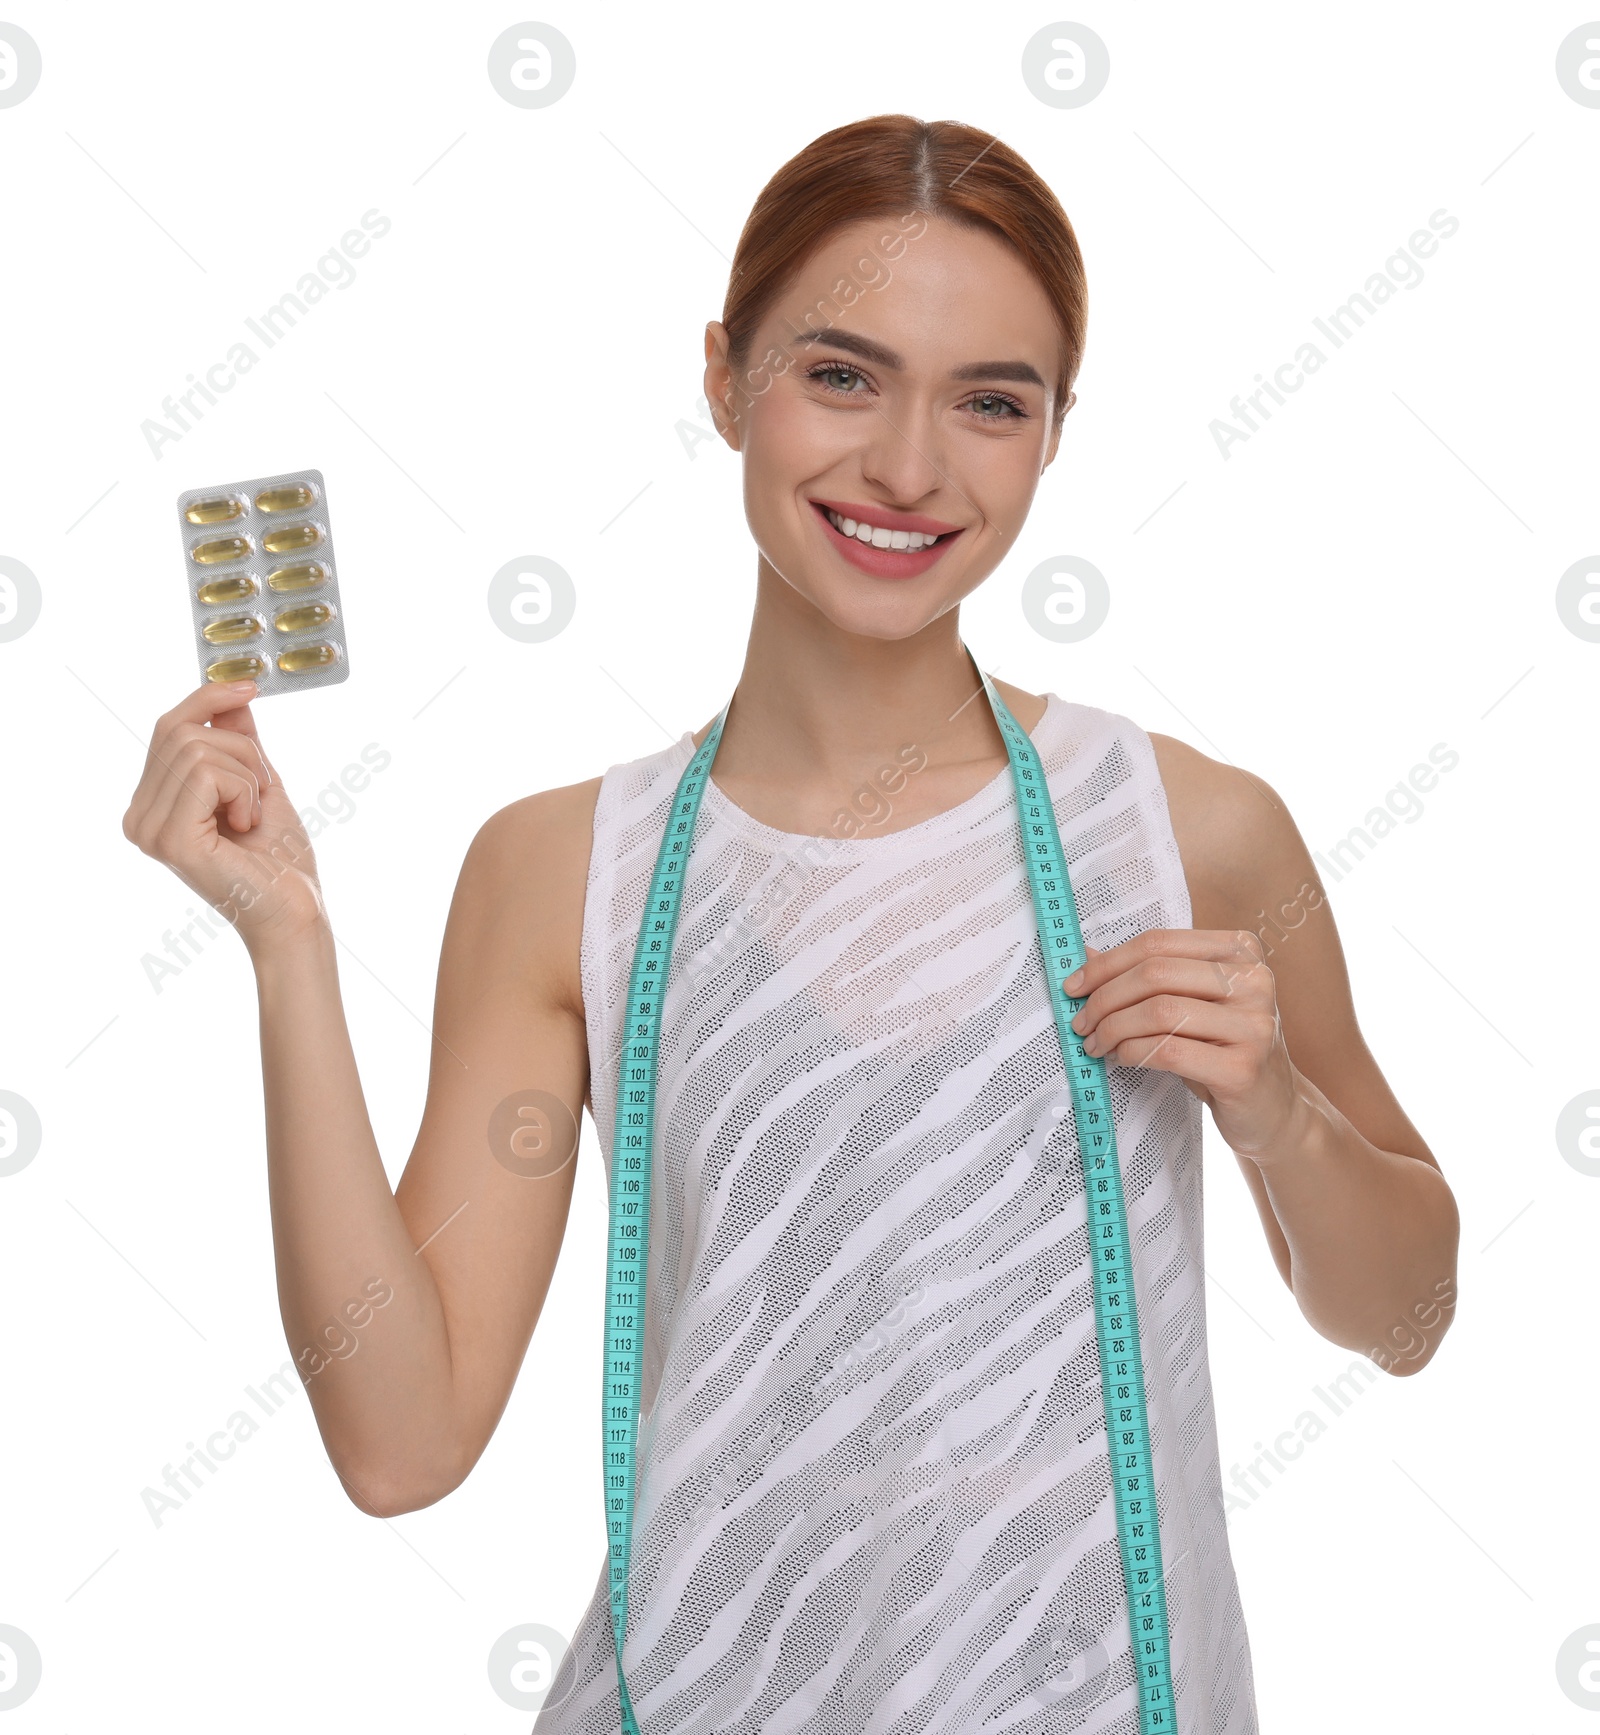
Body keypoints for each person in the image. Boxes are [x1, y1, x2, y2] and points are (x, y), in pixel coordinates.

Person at [122, 114, 1459, 1734]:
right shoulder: (565, 871)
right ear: (723, 380)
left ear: (1054, 436)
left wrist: (1276, 1114)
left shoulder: (1186, 829)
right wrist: (288, 946)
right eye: (841, 375)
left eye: (990, 402)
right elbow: (403, 1444)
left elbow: (1404, 1318)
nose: (909, 466)